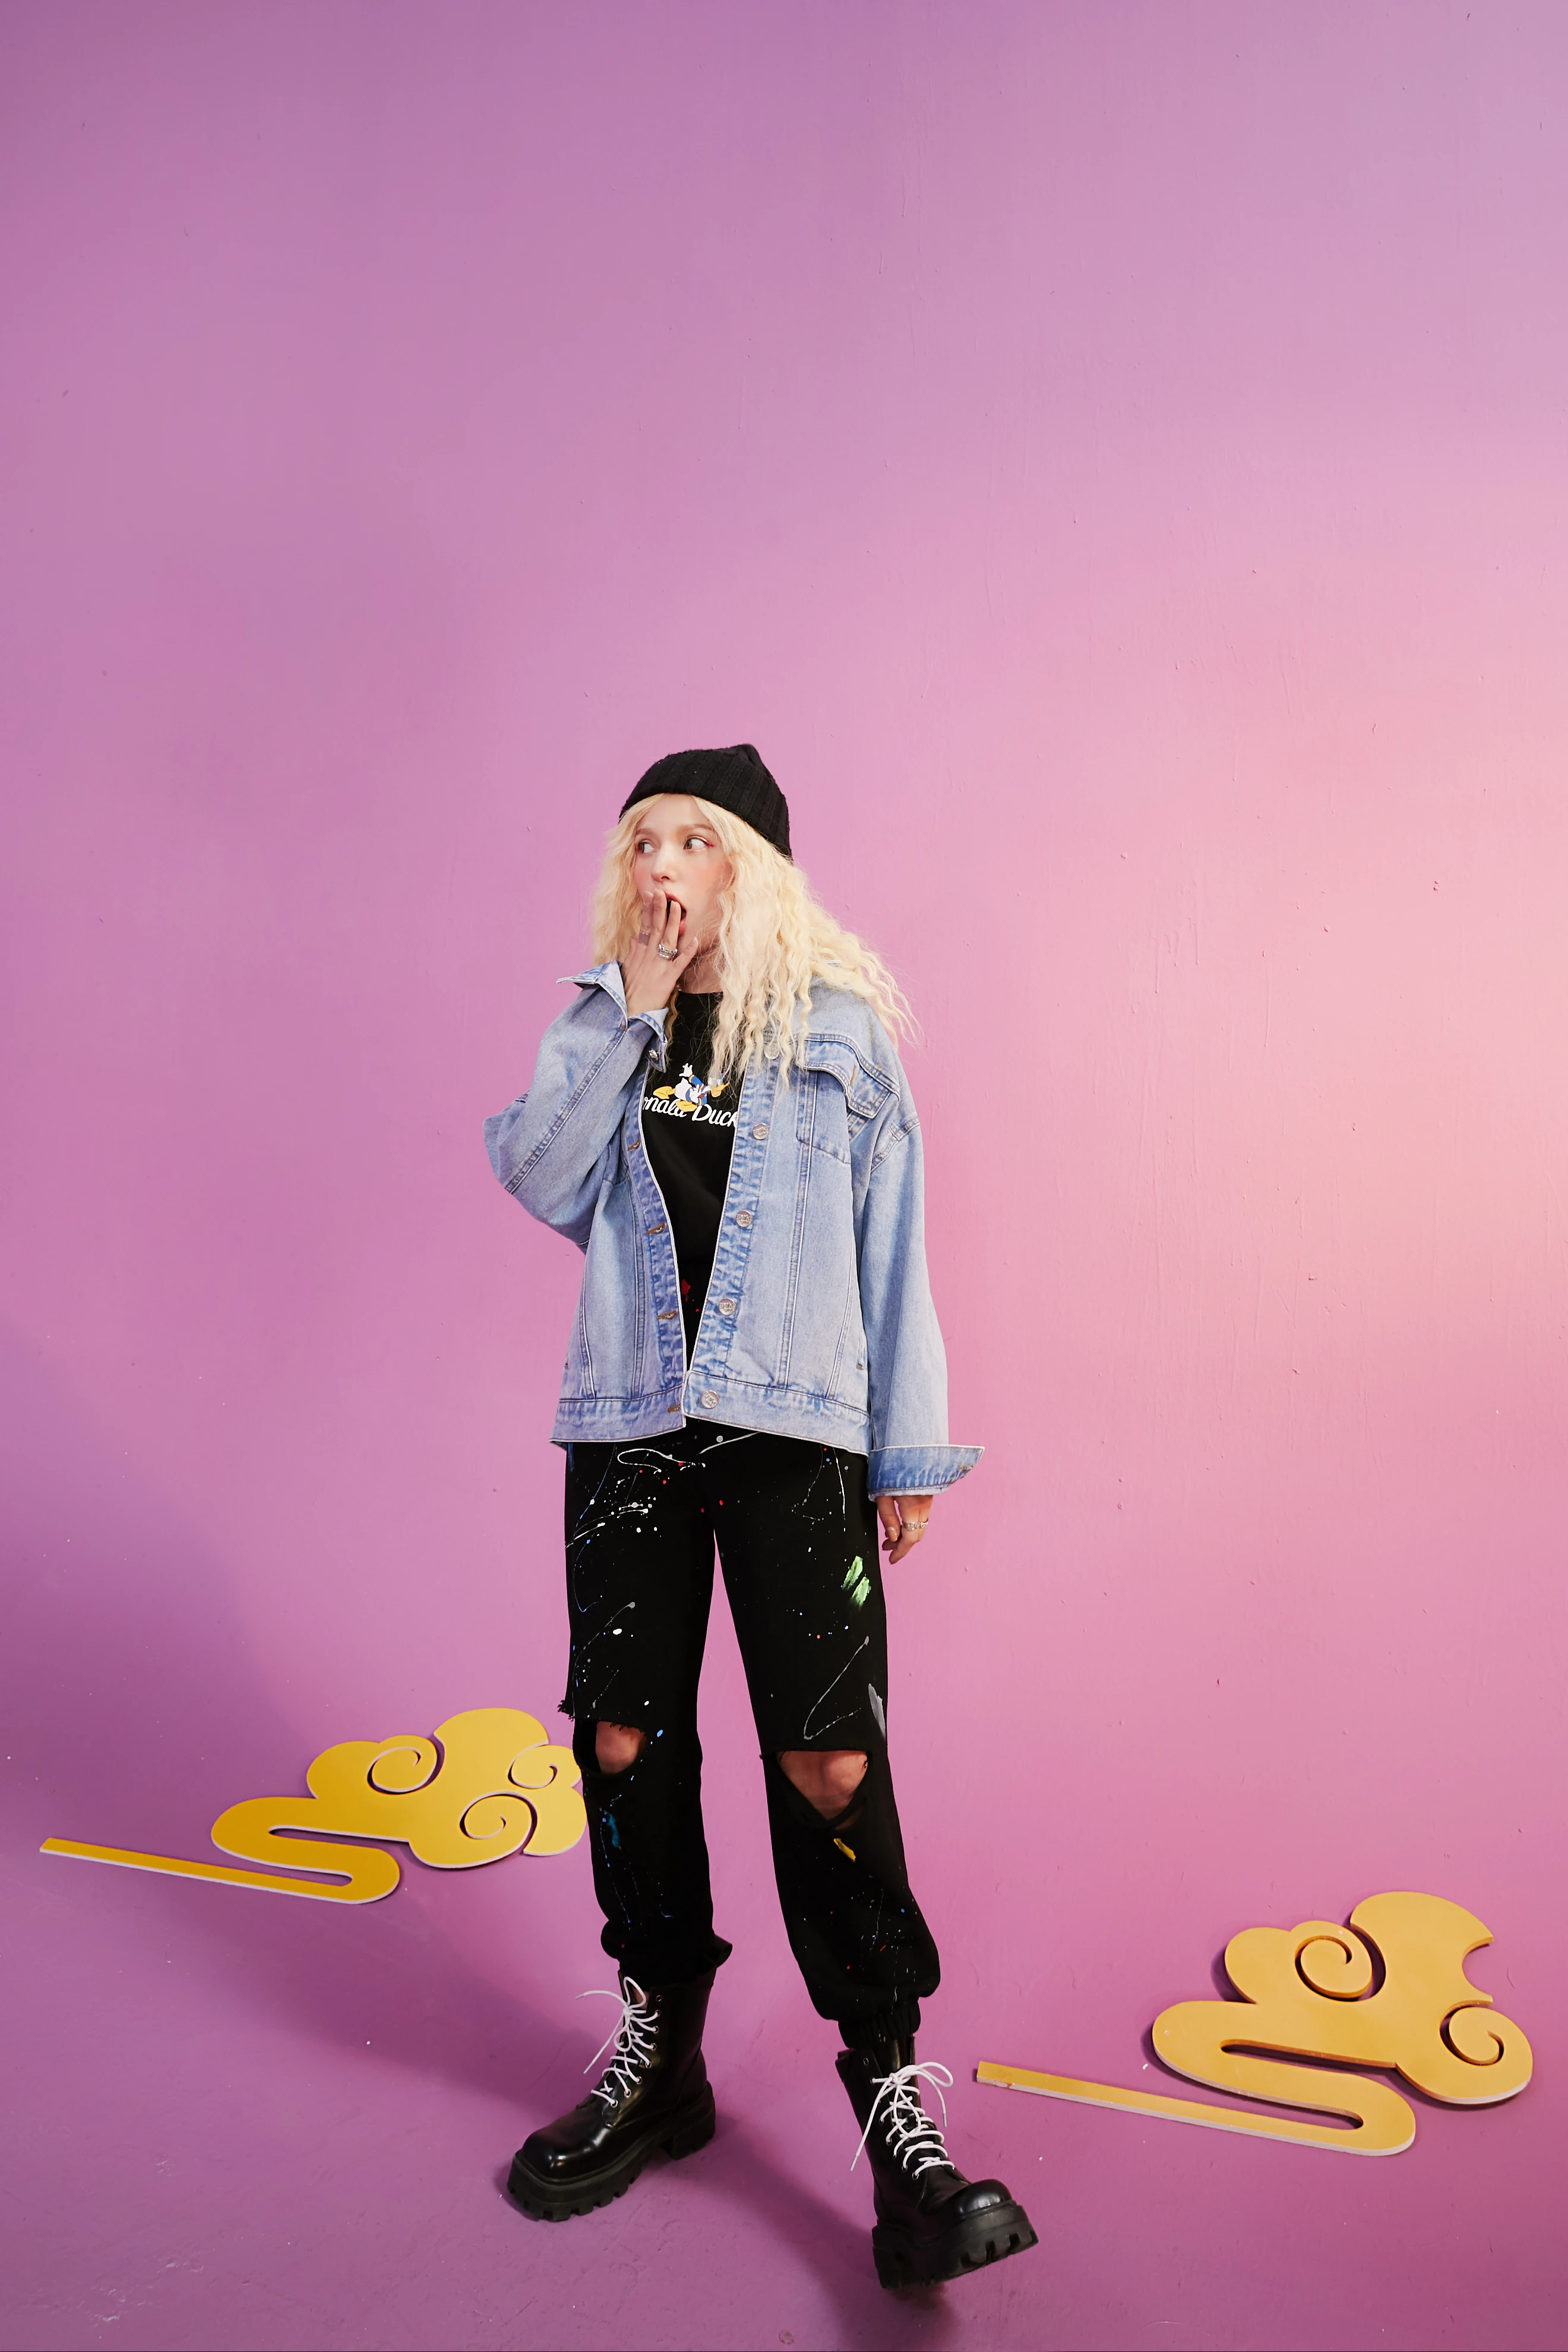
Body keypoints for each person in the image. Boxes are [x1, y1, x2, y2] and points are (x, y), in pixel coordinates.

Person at [483, 744, 1036, 2289]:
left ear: (752, 867)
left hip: (797, 1427)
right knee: (621, 1742)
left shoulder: (839, 1033)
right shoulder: (604, 1020)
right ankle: (660, 2059)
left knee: (829, 1756)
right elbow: (538, 1176)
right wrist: (636, 1004)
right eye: (641, 839)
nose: (660, 861)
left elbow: (894, 1241)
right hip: (632, 1424)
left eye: (693, 837)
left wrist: (904, 1450)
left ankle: (896, 2119)